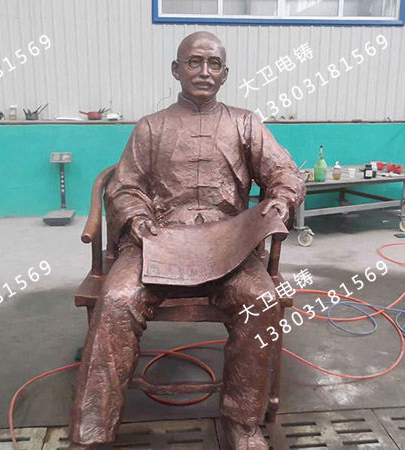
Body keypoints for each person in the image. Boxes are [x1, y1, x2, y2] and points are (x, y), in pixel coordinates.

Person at [69, 31, 306, 450]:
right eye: (194, 62)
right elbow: (124, 187)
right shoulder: (151, 127)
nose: (204, 72)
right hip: (158, 239)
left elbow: (285, 172)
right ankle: (94, 431)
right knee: (118, 299)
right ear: (176, 70)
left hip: (229, 244)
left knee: (260, 299)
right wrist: (137, 219)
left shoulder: (246, 123)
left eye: (214, 64)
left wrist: (280, 200)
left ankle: (242, 422)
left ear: (225, 74)